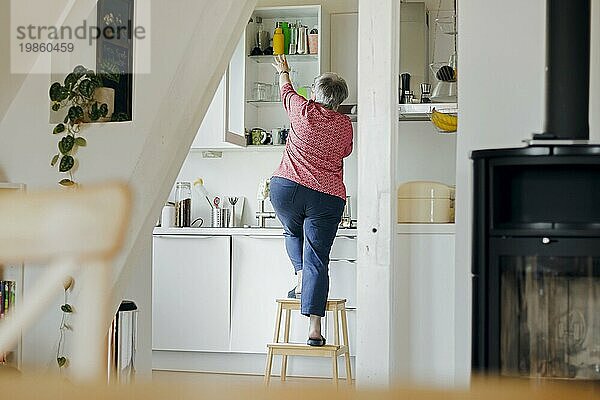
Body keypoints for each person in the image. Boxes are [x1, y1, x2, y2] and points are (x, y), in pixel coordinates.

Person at [269, 55, 353, 346]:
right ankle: (314, 330)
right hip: (327, 197)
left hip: (288, 189)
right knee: (318, 258)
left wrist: (284, 70)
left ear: (316, 94)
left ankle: (299, 276)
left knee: (292, 230)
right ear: (339, 101)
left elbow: (286, 89)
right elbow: (345, 152)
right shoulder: (344, 125)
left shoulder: (301, 109)